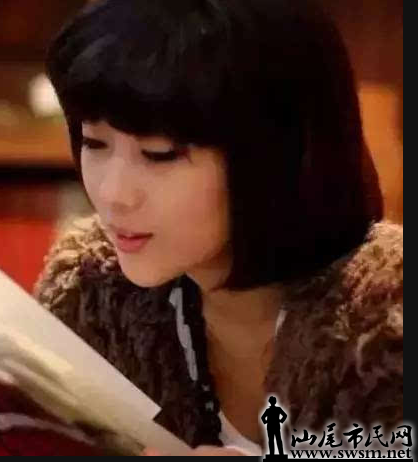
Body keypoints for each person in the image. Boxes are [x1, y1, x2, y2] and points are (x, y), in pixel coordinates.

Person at [34, 0, 403, 456]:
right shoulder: (93, 303)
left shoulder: (385, 327)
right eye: (94, 143)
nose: (113, 194)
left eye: (159, 155)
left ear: (273, 154)